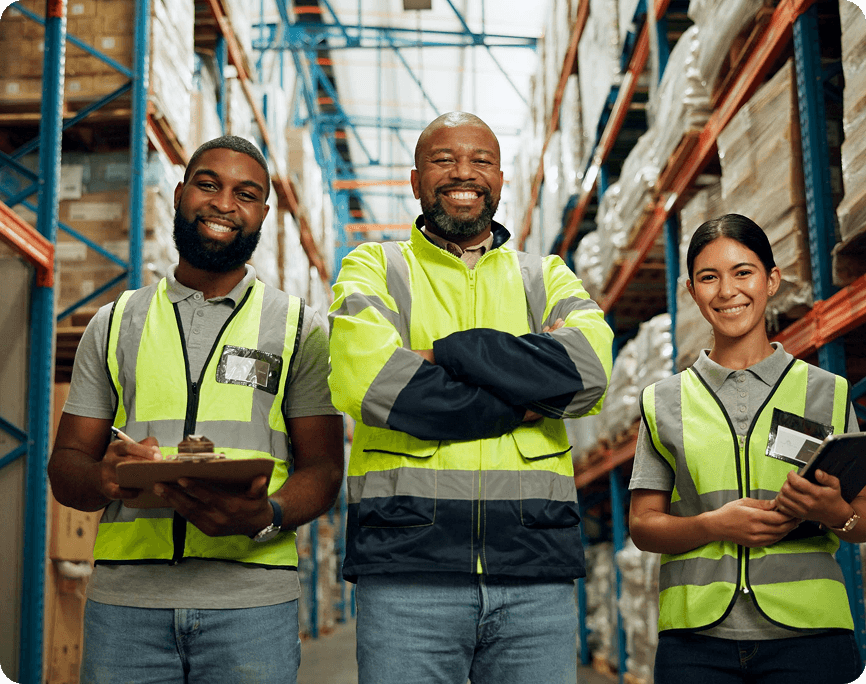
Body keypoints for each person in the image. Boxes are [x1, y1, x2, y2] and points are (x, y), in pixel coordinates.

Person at [327, 111, 614, 683]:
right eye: (444, 160)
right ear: (415, 181)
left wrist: (444, 353)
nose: (464, 173)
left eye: (481, 161)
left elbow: (587, 372)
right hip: (407, 571)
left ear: (500, 180)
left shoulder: (545, 275)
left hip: (534, 570)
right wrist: (524, 395)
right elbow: (371, 383)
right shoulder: (375, 267)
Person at [48, 135, 344, 684]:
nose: (224, 204)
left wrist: (268, 514)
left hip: (252, 604)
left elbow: (325, 469)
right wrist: (104, 477)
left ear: (263, 214)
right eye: (208, 185)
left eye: (245, 194)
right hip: (126, 607)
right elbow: (66, 467)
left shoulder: (300, 329)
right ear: (179, 194)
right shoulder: (113, 324)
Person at [628, 213, 865, 684]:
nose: (727, 291)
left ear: (771, 280)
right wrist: (713, 525)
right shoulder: (663, 401)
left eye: (743, 272)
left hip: (810, 635)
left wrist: (836, 512)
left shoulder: (827, 392)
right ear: (691, 291)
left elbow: (861, 518)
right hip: (696, 642)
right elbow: (643, 525)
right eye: (708, 278)